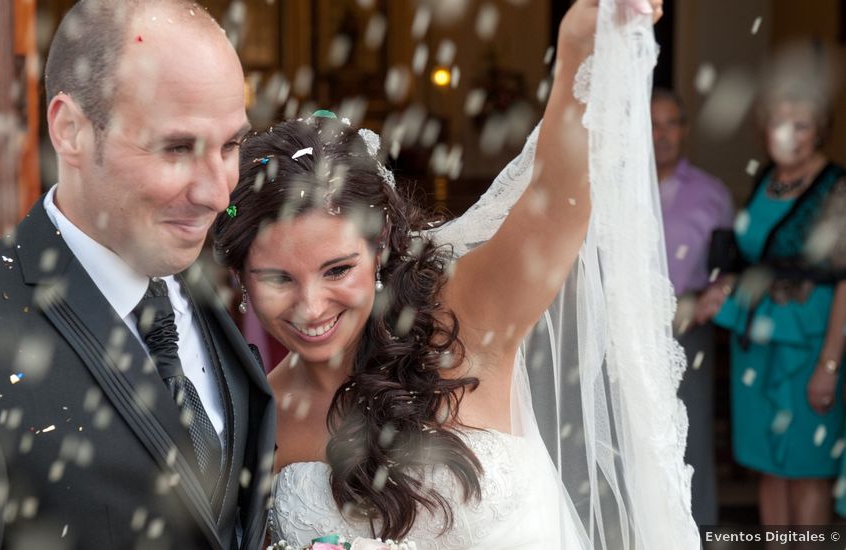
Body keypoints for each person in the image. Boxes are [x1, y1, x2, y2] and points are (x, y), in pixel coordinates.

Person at [215, 1, 696, 548]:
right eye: (278, 278)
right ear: (241, 280)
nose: (311, 305)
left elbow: (556, 198)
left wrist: (579, 49)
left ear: (380, 248)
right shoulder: (257, 417)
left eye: (337, 269)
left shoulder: (464, 319)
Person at [0, 1, 275, 548]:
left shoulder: (190, 282)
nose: (218, 193)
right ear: (71, 130)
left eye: (230, 146)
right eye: (177, 148)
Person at [707, 85, 846, 526]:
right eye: (778, 122)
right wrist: (725, 288)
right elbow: (759, 260)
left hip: (809, 345)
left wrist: (829, 365)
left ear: (819, 131)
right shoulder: (767, 178)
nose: (789, 134)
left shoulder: (836, 188)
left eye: (801, 125)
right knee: (767, 467)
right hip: (756, 340)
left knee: (807, 470)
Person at [651, 87, 734, 525]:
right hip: (630, 324)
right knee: (637, 431)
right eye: (652, 124)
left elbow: (729, 267)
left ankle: (698, 529)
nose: (661, 134)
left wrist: (707, 300)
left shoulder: (712, 193)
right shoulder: (619, 187)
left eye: (670, 123)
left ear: (684, 131)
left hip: (689, 325)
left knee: (693, 433)